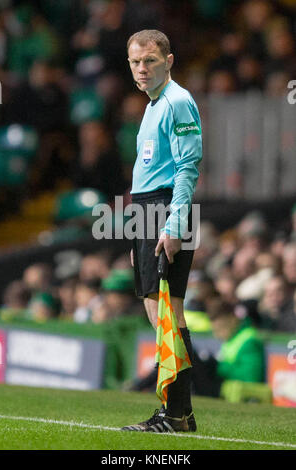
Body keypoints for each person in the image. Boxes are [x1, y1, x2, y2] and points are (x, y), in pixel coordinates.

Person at [121, 30, 202, 433]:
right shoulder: (153, 106)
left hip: (166, 207)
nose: (141, 69)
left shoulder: (178, 101)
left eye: (149, 60)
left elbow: (187, 169)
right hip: (148, 209)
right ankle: (178, 413)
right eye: (135, 62)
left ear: (169, 61)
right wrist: (139, 231)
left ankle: (176, 415)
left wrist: (173, 225)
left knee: (169, 311)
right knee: (158, 311)